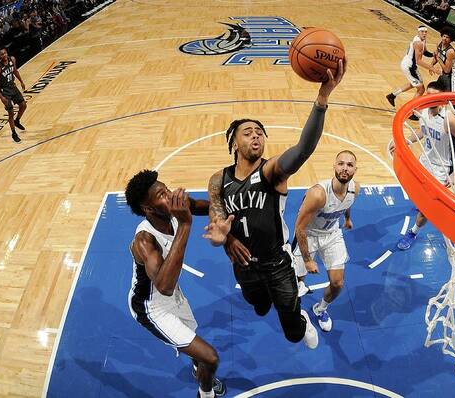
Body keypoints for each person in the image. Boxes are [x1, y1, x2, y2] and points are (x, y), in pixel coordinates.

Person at [204, 58, 346, 350]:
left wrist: (321, 99)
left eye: (259, 131)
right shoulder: (218, 179)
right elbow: (216, 212)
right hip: (243, 265)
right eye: (248, 132)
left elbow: (303, 149)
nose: (256, 134)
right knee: (258, 306)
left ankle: (301, 319)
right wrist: (224, 235)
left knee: (293, 332)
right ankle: (269, 301)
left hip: (278, 263)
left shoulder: (270, 171)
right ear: (234, 144)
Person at [125, 170, 226, 398]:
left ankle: (195, 367)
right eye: (162, 195)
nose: (169, 196)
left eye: (167, 189)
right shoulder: (144, 241)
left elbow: (205, 206)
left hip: (172, 295)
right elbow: (164, 286)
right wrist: (185, 225)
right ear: (148, 208)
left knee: (194, 341)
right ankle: (205, 394)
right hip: (151, 308)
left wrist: (225, 214)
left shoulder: (174, 208)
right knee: (210, 357)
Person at [390, 81, 455, 250]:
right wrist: (408, 139)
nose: (429, 99)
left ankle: (413, 232)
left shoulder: (450, 120)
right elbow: (424, 130)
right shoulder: (423, 112)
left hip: (442, 169)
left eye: (434, 96)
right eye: (428, 95)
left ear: (442, 99)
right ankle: (424, 205)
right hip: (425, 162)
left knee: (426, 208)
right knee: (418, 195)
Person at [292, 150, 359, 332]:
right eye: (341, 164)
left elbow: (347, 203)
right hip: (309, 234)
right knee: (296, 282)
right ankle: (295, 303)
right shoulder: (318, 194)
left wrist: (347, 219)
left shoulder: (355, 189)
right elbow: (299, 228)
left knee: (338, 284)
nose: (345, 168)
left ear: (355, 169)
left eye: (350, 165)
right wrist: (307, 260)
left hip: (331, 234)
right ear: (334, 166)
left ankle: (320, 309)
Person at [386, 26, 442, 119]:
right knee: (421, 89)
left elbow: (424, 52)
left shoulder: (422, 40)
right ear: (418, 32)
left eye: (425, 32)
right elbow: (418, 61)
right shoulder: (418, 43)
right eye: (422, 32)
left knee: (414, 84)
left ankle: (392, 95)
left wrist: (433, 54)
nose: (424, 33)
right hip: (409, 66)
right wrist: (433, 68)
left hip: (411, 66)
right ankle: (411, 112)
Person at [0, 47, 27, 143]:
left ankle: (17, 121)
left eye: (5, 53)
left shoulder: (12, 59)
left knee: (23, 105)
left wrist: (21, 81)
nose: (4, 55)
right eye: (2, 54)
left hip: (13, 87)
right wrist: (2, 97)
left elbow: (15, 70)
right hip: (4, 91)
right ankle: (14, 133)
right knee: (11, 113)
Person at [432, 27, 455, 114]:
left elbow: (447, 70)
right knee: (437, 91)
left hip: (452, 76)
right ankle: (436, 111)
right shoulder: (439, 44)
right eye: (444, 36)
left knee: (452, 99)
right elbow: (436, 57)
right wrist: (431, 66)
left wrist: (438, 58)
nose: (444, 38)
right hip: (444, 74)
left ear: (451, 39)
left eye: (447, 37)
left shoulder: (450, 52)